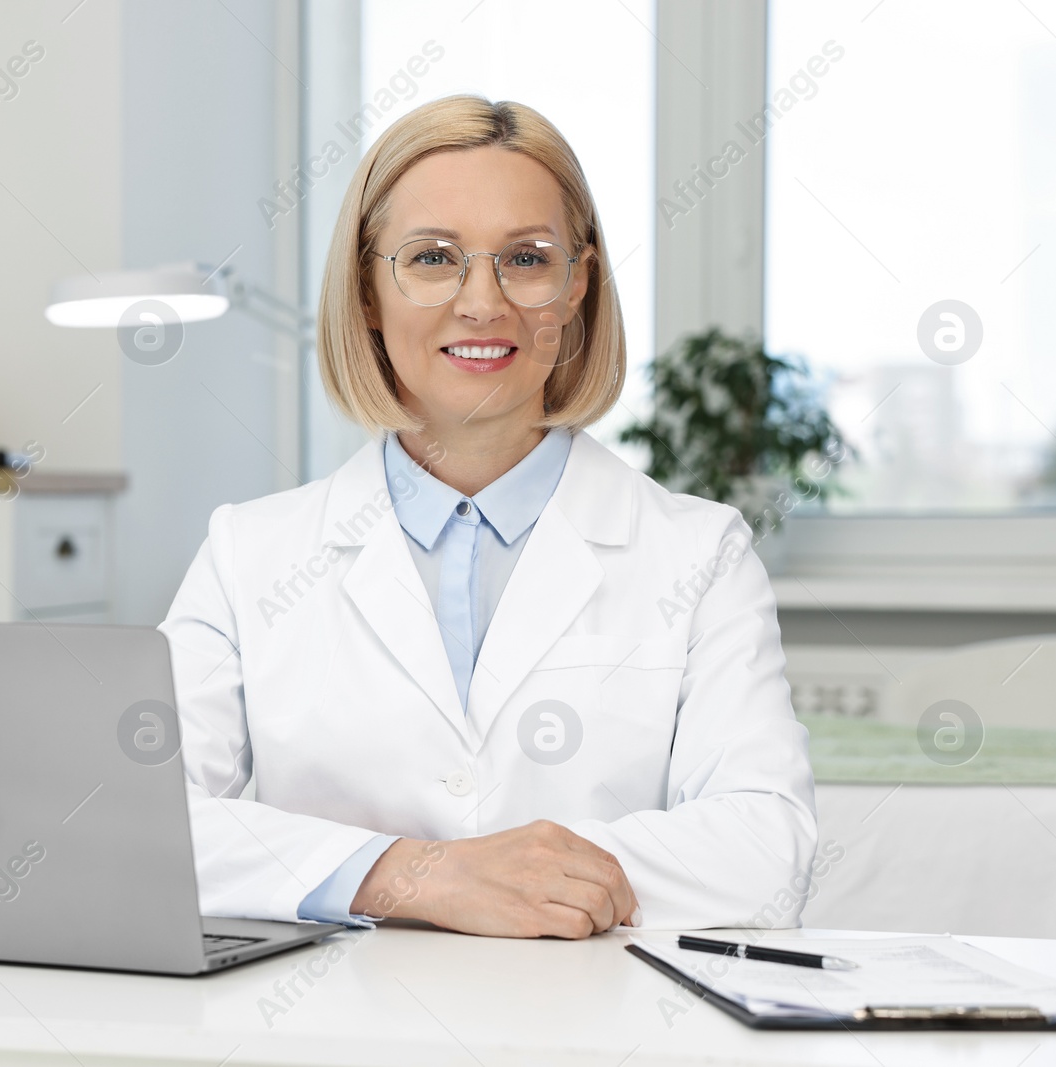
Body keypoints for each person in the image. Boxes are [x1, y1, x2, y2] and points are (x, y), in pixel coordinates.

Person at [158, 94, 817, 939]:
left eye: (527, 259)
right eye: (433, 258)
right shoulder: (248, 553)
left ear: (578, 285)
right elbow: (145, 823)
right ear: (367, 289)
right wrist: (417, 874)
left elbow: (769, 847)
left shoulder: (700, 551)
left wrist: (523, 879)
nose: (483, 302)